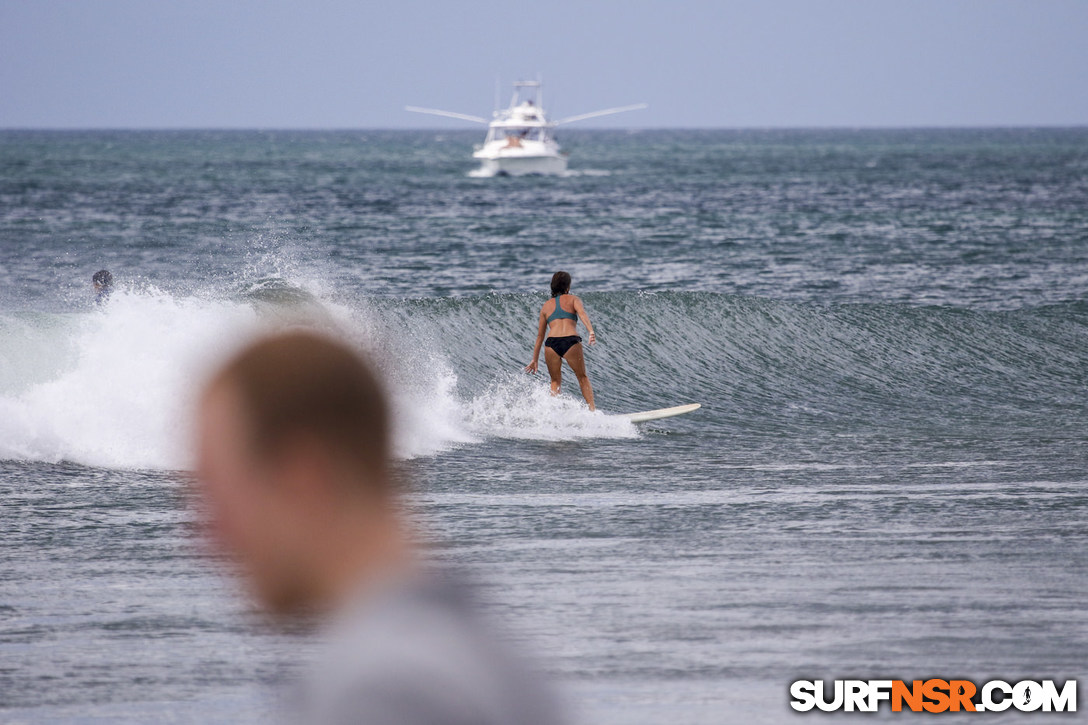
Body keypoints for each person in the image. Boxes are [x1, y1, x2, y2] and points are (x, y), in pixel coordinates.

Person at [194, 331, 561, 725]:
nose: (206, 538)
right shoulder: (480, 649)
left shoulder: (383, 690)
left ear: (302, 477)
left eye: (218, 495)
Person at [525, 271, 597, 411]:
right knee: (582, 377)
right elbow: (582, 313)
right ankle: (592, 411)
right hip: (570, 341)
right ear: (568, 287)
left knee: (555, 381)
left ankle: (554, 416)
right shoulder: (574, 299)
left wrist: (534, 359)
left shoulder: (546, 306)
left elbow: (540, 336)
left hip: (551, 344)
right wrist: (591, 331)